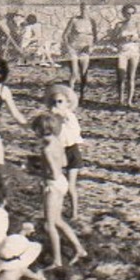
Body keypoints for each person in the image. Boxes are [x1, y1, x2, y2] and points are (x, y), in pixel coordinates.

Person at [30, 112, 86, 269]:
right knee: (58, 221)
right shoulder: (57, 142)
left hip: (53, 184)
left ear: (40, 131)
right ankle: (79, 249)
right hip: (62, 182)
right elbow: (64, 162)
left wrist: (40, 172)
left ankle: (57, 260)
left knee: (49, 225)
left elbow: (53, 172)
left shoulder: (46, 149)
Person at [46, 84, 85, 221]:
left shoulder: (70, 117)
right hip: (58, 150)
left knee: (71, 185)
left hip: (71, 149)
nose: (56, 104)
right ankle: (58, 209)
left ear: (67, 103)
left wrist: (63, 117)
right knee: (57, 182)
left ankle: (74, 212)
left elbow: (75, 133)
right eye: (54, 101)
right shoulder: (50, 117)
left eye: (60, 101)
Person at [110, 4, 140, 107]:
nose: (130, 15)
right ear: (124, 14)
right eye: (128, 13)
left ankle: (129, 101)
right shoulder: (119, 25)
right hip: (122, 52)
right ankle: (120, 100)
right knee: (121, 77)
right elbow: (113, 40)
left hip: (134, 52)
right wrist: (123, 39)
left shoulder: (138, 25)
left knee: (131, 77)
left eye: (133, 13)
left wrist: (135, 39)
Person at [61, 0, 99, 101]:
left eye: (86, 9)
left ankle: (82, 95)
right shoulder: (74, 20)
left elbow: (96, 37)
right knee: (74, 72)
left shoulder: (92, 21)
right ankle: (70, 94)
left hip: (85, 49)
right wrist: (68, 47)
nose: (84, 11)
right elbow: (65, 35)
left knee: (84, 73)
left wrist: (92, 47)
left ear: (90, 9)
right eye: (82, 9)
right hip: (74, 48)